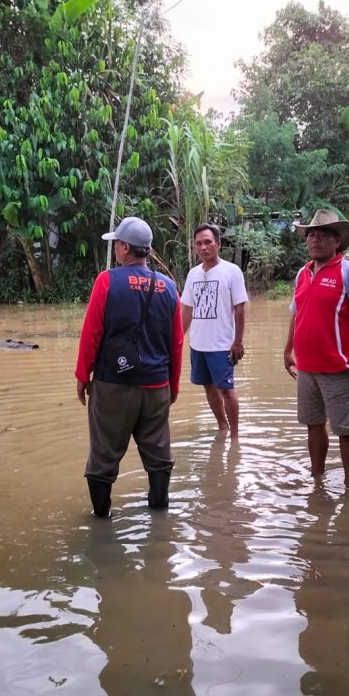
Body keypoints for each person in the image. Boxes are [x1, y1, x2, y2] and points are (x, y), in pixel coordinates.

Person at [75, 216, 184, 517]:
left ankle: (101, 521)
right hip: (156, 387)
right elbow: (176, 343)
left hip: (113, 387)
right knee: (159, 455)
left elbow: (91, 335)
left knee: (103, 455)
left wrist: (82, 376)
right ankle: (159, 515)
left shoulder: (107, 281)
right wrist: (172, 386)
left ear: (124, 248)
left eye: (116, 245)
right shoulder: (169, 286)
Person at [283, 209, 349, 493]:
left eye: (322, 236)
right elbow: (296, 315)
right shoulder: (302, 274)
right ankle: (317, 481)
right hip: (307, 368)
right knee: (313, 425)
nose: (315, 240)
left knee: (346, 430)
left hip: (339, 368)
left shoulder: (347, 271)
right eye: (311, 235)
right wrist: (288, 351)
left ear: (337, 242)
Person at [180, 223, 249, 438]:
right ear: (194, 248)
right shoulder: (192, 274)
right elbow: (188, 310)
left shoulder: (231, 271)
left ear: (218, 244)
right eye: (199, 244)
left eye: (208, 242)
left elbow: (239, 309)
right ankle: (222, 427)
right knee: (208, 387)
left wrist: (237, 341)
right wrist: (178, 340)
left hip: (222, 345)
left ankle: (235, 437)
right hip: (198, 344)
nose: (203, 247)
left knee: (227, 390)